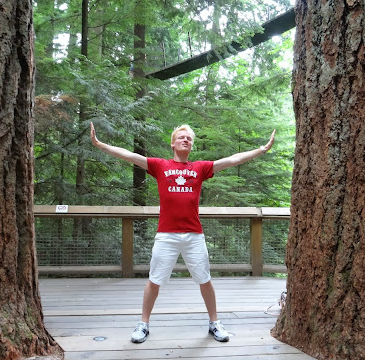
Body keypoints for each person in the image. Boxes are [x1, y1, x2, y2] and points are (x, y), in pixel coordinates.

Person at [90, 122, 275, 343]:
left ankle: (214, 323)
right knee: (154, 280)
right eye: (182, 137)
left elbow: (232, 160)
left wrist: (261, 149)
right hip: (166, 235)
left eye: (189, 138)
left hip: (194, 235)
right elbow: (129, 156)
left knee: (204, 279)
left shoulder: (200, 168)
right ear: (173, 143)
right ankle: (144, 324)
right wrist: (100, 144)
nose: (186, 140)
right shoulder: (160, 166)